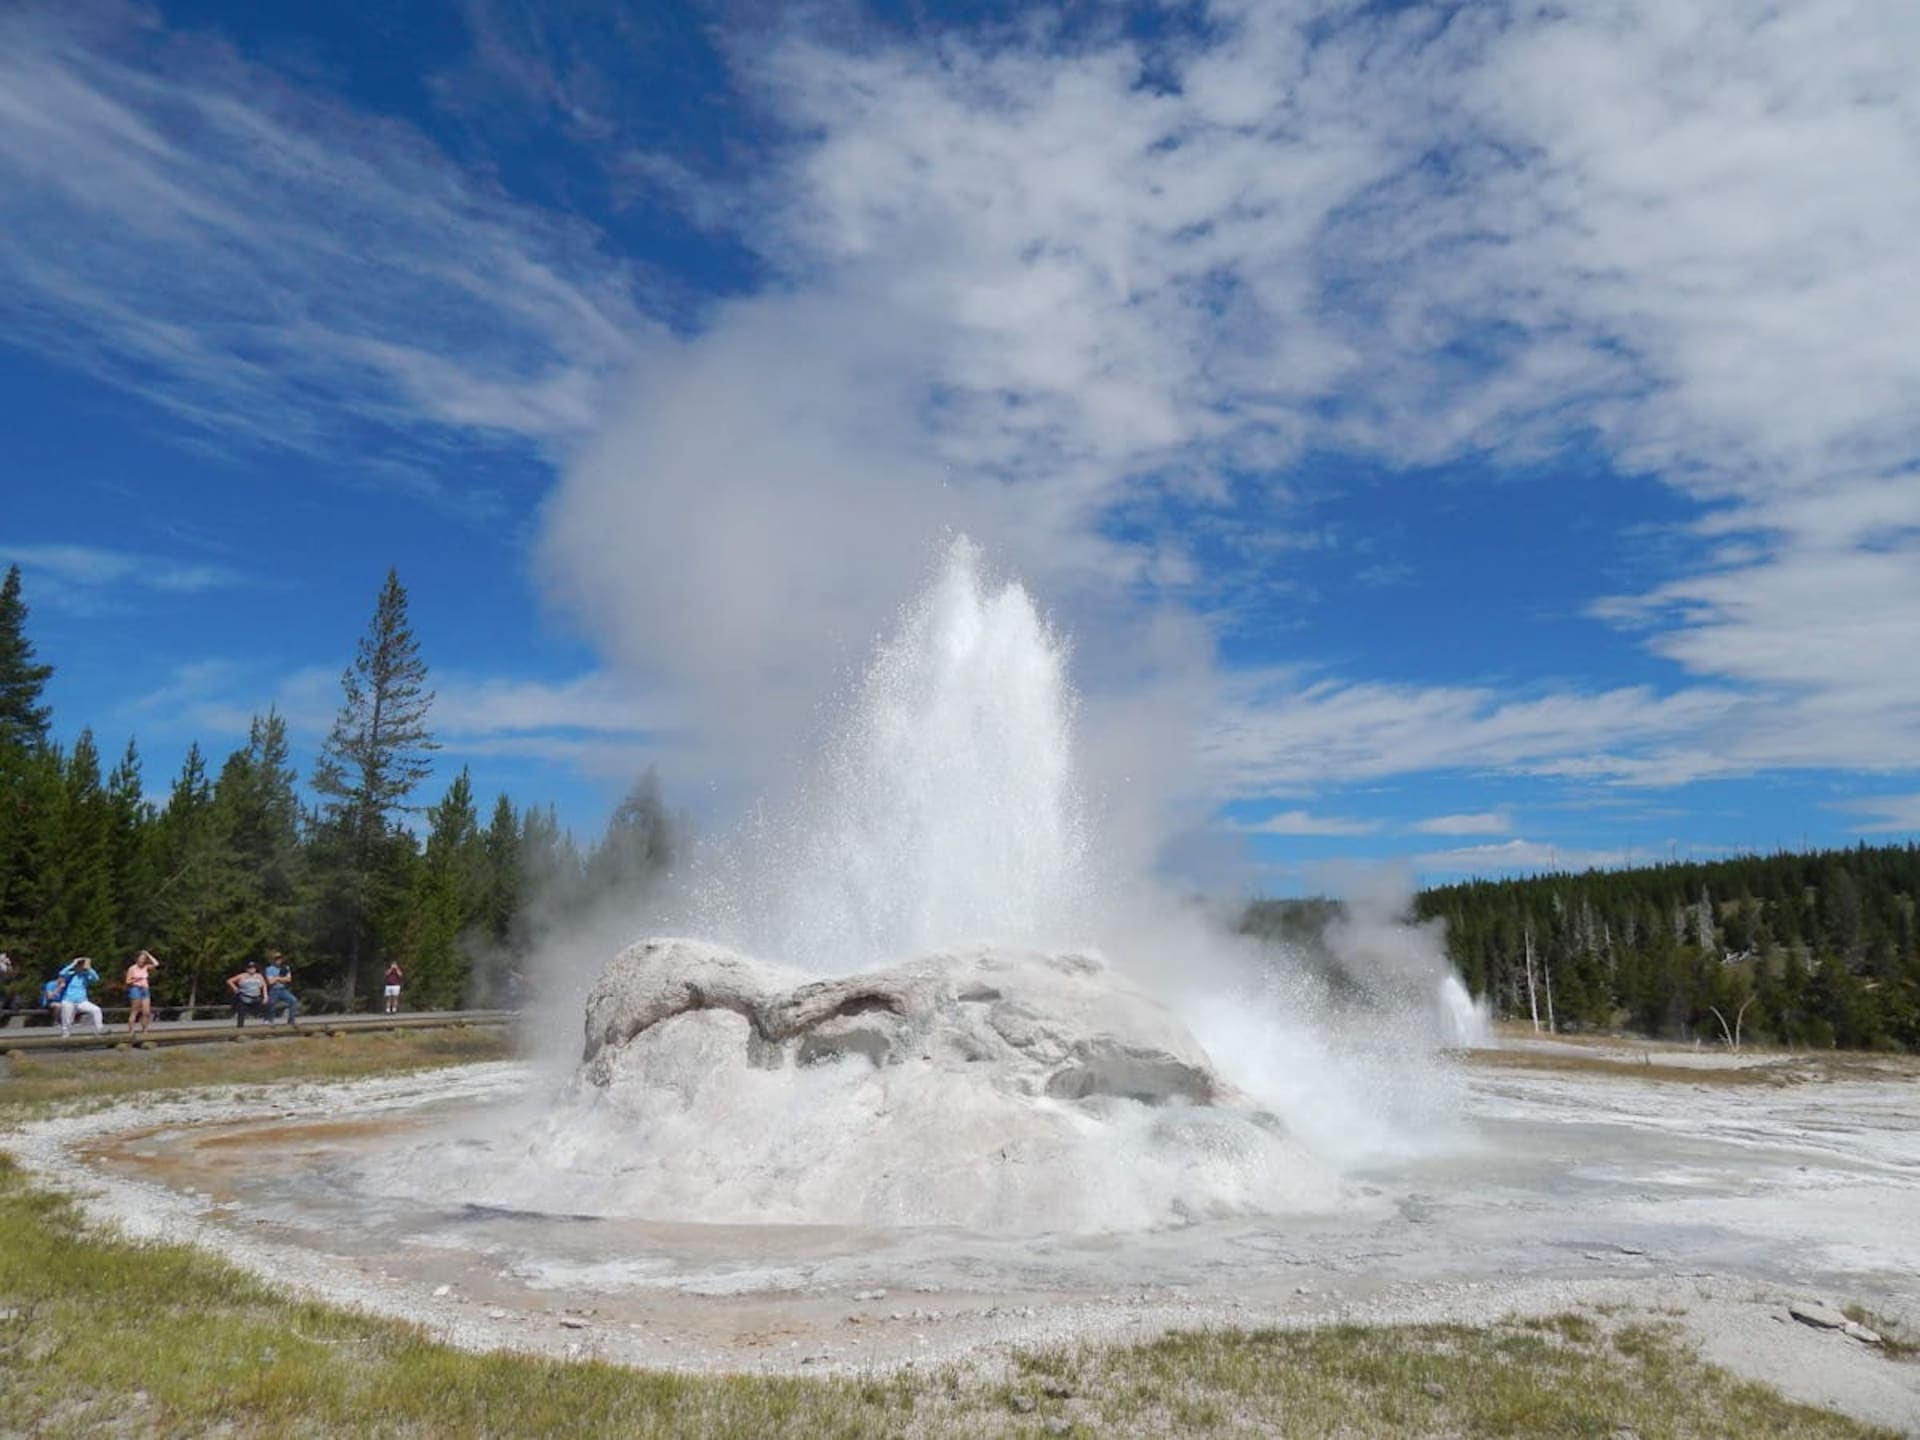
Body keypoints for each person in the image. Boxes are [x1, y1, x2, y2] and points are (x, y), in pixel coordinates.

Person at [54, 956, 106, 1038]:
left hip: (82, 1001)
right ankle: (65, 1036)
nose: (80, 966)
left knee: (96, 1010)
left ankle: (99, 1030)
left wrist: (89, 968)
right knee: (67, 1021)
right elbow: (61, 973)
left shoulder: (86, 975)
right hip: (68, 1001)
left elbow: (96, 978)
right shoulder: (70, 974)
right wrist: (73, 964)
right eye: (79, 965)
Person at [123, 950, 161, 1035]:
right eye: (141, 958)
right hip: (135, 989)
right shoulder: (132, 968)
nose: (142, 960)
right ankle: (131, 1031)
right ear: (137, 959)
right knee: (135, 1011)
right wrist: (138, 978)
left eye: (144, 959)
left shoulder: (146, 967)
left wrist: (148, 954)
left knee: (146, 1012)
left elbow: (156, 964)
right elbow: (127, 981)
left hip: (145, 989)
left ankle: (145, 1031)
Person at [226, 960, 272, 1027]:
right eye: (250, 968)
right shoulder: (242, 976)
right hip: (244, 998)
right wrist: (235, 988)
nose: (252, 969)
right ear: (246, 969)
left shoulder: (259, 976)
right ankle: (240, 1026)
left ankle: (267, 1021)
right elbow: (229, 981)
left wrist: (265, 996)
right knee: (241, 1012)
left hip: (256, 998)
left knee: (268, 1004)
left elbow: (264, 985)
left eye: (253, 967)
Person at [263, 952, 298, 1026]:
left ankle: (291, 1020)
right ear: (273, 960)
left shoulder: (285, 968)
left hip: (282, 989)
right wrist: (281, 979)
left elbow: (289, 979)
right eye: (276, 959)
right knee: (271, 1003)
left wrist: (277, 978)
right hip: (274, 989)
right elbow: (270, 982)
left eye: (280, 959)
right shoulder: (269, 969)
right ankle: (270, 1020)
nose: (278, 961)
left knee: (293, 1000)